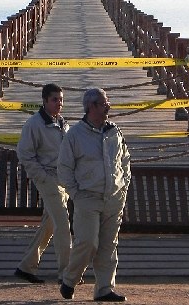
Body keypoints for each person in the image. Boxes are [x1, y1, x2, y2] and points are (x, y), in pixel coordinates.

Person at [57, 88, 131, 302]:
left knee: (109, 246)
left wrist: (123, 185)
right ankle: (69, 280)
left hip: (113, 197)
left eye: (107, 102)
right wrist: (75, 193)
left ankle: (104, 289)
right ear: (91, 107)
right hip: (87, 197)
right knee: (88, 243)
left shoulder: (114, 131)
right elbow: (64, 168)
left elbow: (125, 160)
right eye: (103, 103)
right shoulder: (75, 135)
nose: (108, 106)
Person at [14, 83, 71, 284]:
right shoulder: (33, 124)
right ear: (45, 101)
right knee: (63, 224)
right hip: (48, 180)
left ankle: (26, 266)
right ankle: (67, 274)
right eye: (55, 99)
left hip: (63, 180)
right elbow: (24, 154)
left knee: (49, 225)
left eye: (61, 99)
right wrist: (42, 177)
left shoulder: (63, 123)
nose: (59, 103)